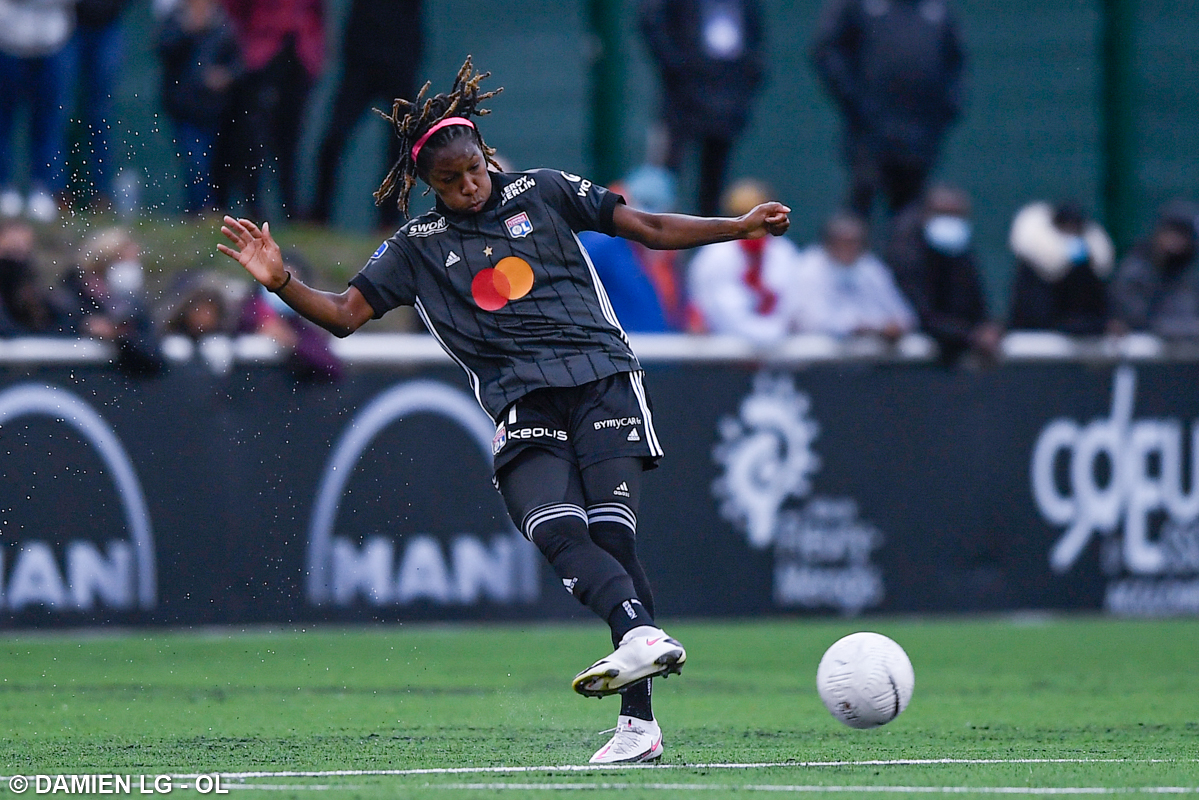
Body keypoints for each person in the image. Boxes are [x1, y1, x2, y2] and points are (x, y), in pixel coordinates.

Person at [218, 57, 791, 765]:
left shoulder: (543, 190)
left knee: (611, 536)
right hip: (521, 398)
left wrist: (738, 227)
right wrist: (281, 281)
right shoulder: (417, 248)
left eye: (474, 171)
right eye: (450, 182)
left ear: (487, 157)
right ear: (427, 187)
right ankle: (639, 639)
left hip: (601, 377)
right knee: (552, 527)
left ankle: (638, 723)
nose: (468, 186)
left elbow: (644, 225)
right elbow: (342, 315)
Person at [811, 0, 966, 219]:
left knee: (912, 213)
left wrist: (944, 111)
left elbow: (956, 62)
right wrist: (857, 102)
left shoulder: (937, 9)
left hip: (920, 136)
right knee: (859, 206)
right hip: (868, 133)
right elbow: (827, 50)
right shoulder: (855, 6)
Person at [639, 0, 767, 217]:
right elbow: (652, 22)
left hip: (727, 101)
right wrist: (681, 69)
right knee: (663, 179)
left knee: (714, 182)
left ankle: (708, 234)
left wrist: (745, 81)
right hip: (680, 102)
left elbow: (756, 38)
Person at [308, 0, 421, 231]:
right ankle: (318, 215)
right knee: (334, 138)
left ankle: (389, 221)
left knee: (400, 147)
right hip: (360, 59)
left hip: (400, 56)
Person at [216, 0, 323, 218]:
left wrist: (314, 54)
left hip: (299, 56)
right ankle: (251, 208)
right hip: (260, 56)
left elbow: (317, 13)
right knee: (252, 138)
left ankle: (290, 209)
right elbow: (233, 9)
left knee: (289, 140)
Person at [886, 184, 1001, 363]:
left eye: (956, 215)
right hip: (921, 353)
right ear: (925, 215)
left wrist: (988, 328)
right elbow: (919, 315)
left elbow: (978, 304)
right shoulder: (907, 256)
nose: (949, 222)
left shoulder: (963, 253)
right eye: (943, 214)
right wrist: (970, 335)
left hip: (962, 344)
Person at [687, 178, 806, 344]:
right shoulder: (714, 254)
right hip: (723, 347)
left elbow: (793, 304)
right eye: (742, 214)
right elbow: (706, 305)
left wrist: (774, 332)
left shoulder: (783, 251)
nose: (751, 223)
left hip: (778, 348)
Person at [157, 0, 242, 215]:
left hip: (216, 109)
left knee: (215, 164)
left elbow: (238, 61)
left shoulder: (224, 21)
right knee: (195, 162)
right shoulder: (176, 19)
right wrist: (187, 30)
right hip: (184, 108)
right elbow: (163, 50)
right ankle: (200, 210)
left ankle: (209, 209)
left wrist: (225, 76)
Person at [0, 0, 77, 222]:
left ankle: (43, 188)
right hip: (7, 39)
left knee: (48, 124)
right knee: (4, 123)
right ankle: (4, 187)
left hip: (52, 41)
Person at [53, 227, 164, 375]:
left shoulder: (133, 304)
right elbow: (53, 332)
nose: (130, 268)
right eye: (122, 260)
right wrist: (86, 326)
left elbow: (153, 355)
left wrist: (121, 337)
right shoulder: (70, 295)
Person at [793, 210, 916, 339]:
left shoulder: (870, 267)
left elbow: (905, 315)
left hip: (874, 338)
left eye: (855, 242)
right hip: (829, 339)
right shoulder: (810, 267)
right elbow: (809, 321)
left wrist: (892, 325)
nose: (849, 247)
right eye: (843, 241)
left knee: (916, 345)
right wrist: (855, 326)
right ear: (828, 242)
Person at [1007, 200, 1113, 335]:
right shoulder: (1033, 261)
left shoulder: (1088, 262)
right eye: (1066, 227)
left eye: (1076, 228)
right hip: (1038, 332)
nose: (1071, 233)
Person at [70, 0, 133, 210]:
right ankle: (59, 192)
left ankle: (101, 194)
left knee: (100, 116)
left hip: (107, 22)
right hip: (65, 25)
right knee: (63, 113)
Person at [1108, 199, 1199, 340]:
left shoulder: (1189, 270)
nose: (1176, 241)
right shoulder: (1136, 268)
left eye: (1183, 235)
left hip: (1184, 345)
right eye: (1173, 232)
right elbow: (1136, 319)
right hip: (1141, 344)